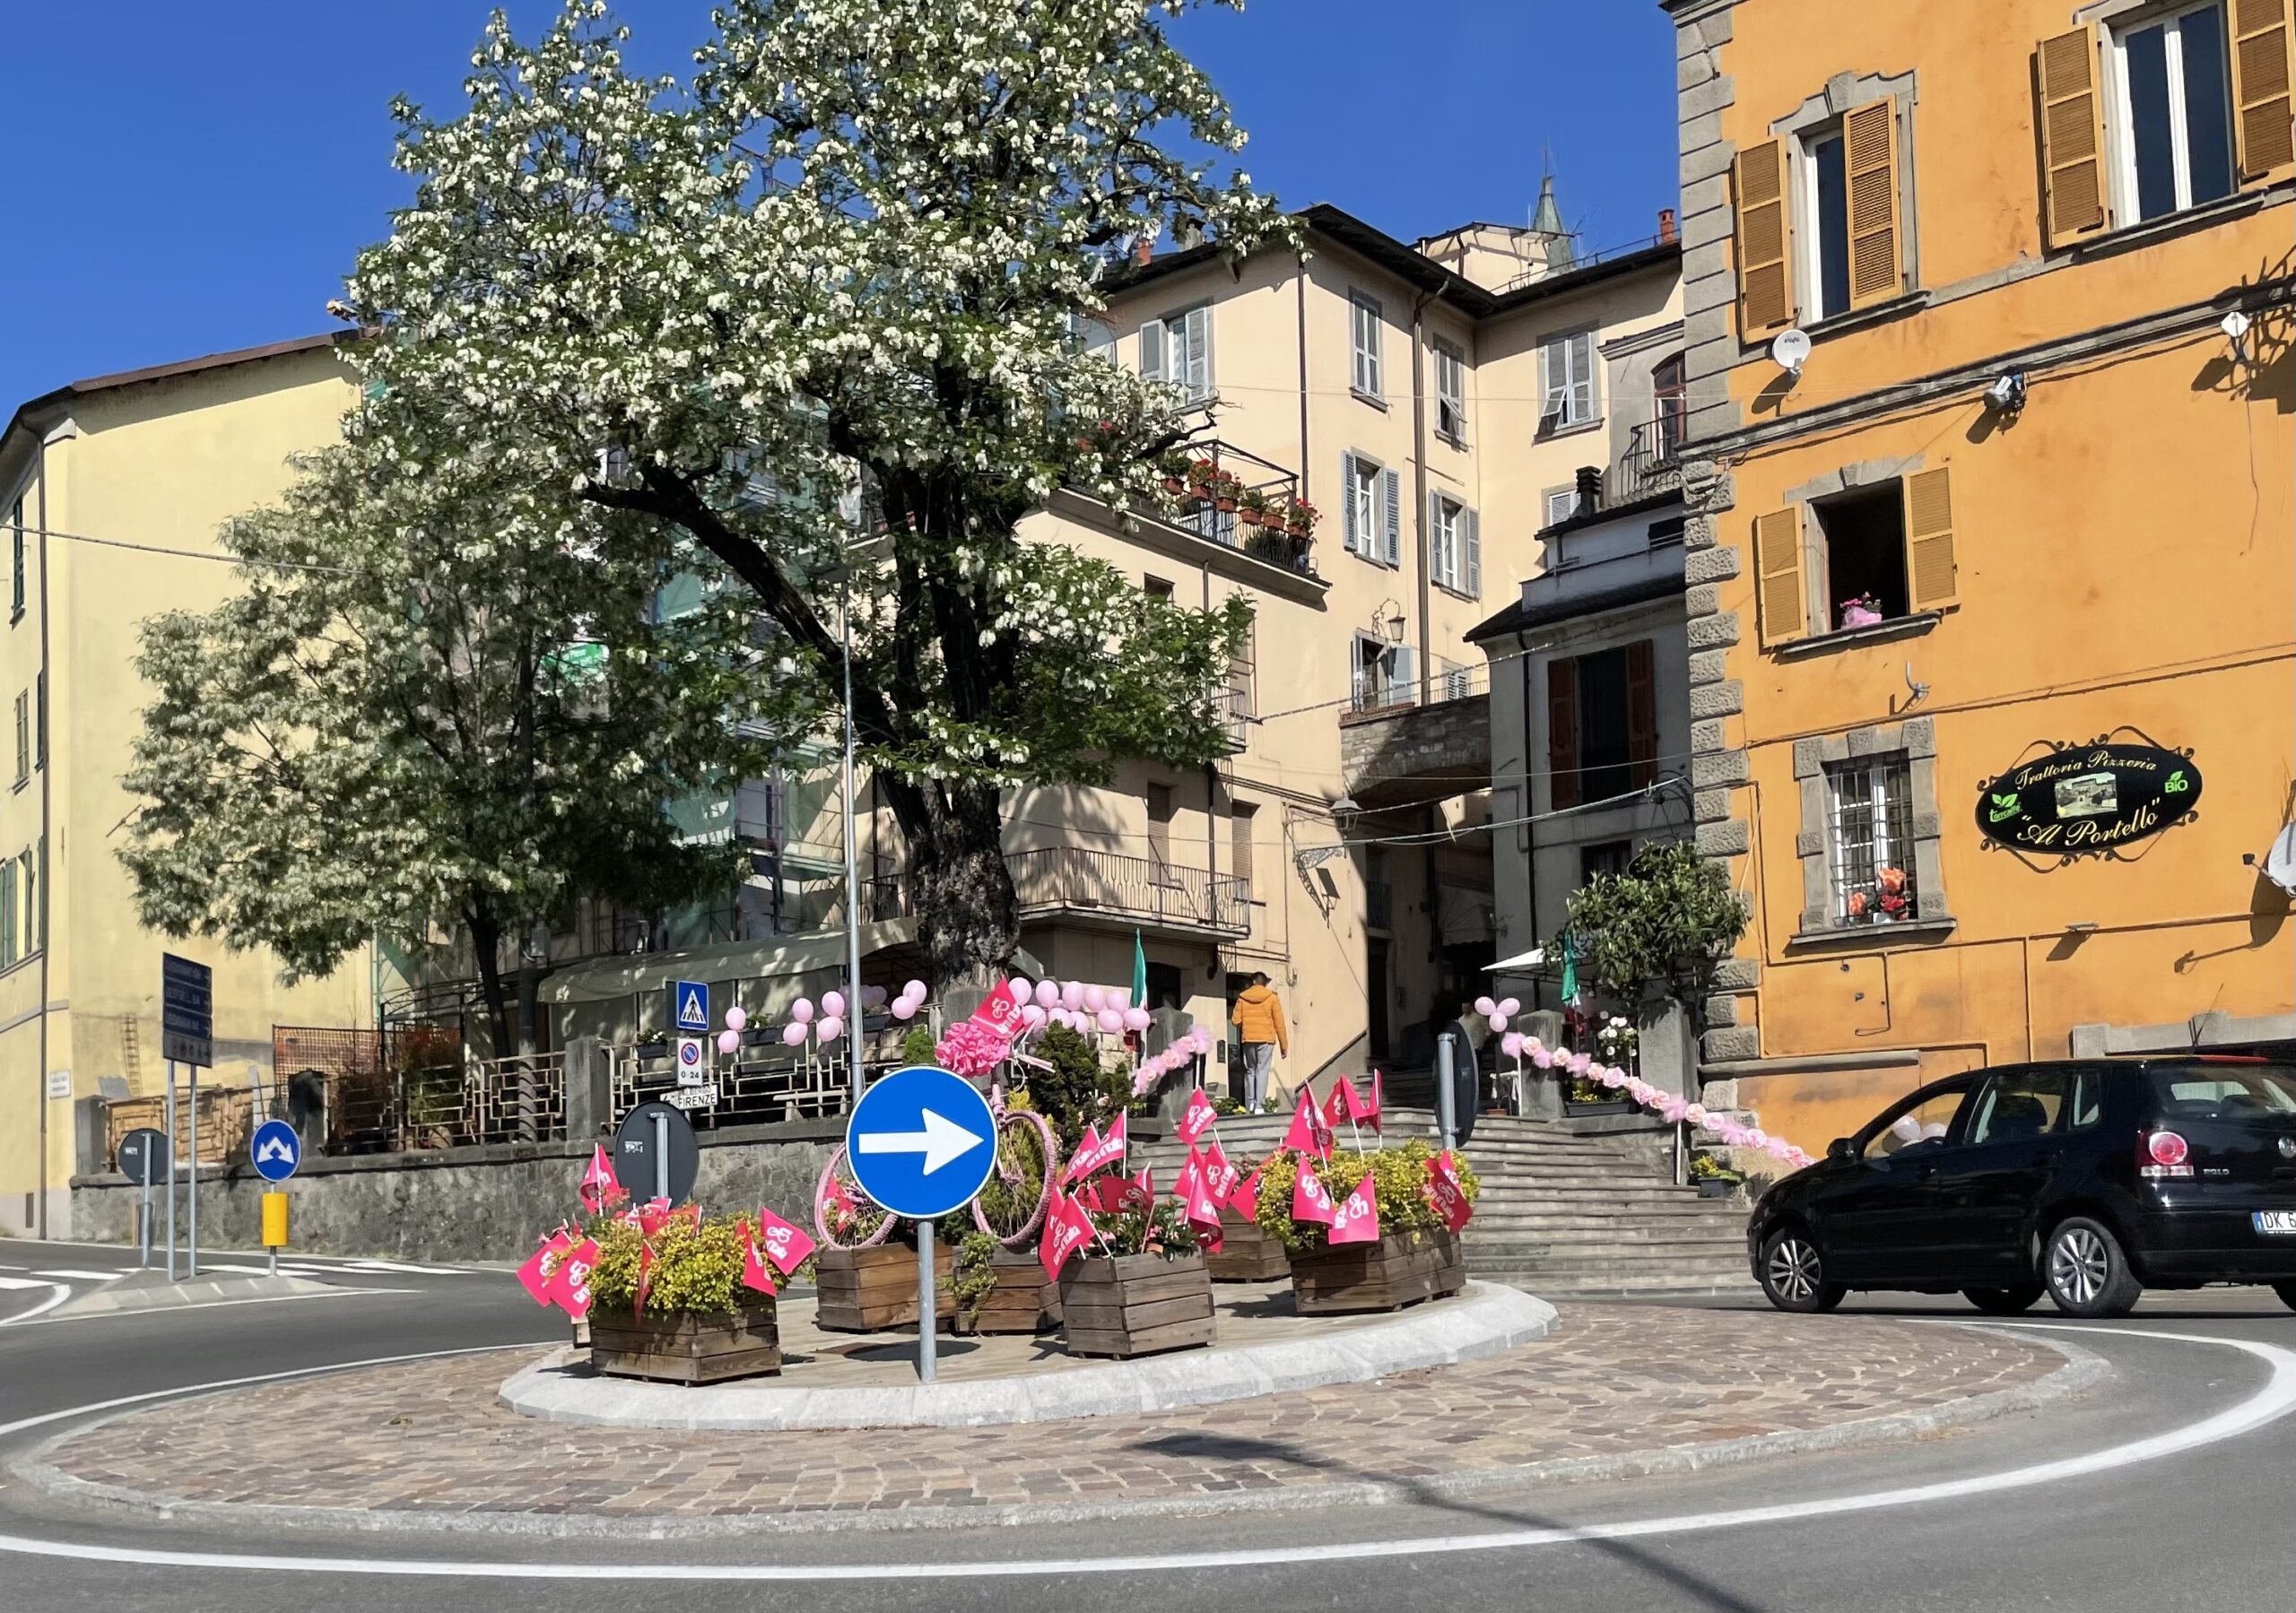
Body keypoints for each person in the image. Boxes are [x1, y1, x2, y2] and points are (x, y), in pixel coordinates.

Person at [1230, 972, 1289, 1112]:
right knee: (1262, 1070)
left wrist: (1246, 1025)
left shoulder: (1242, 997)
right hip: (1266, 1039)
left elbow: (1235, 1020)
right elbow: (1279, 1023)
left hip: (1249, 1039)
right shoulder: (1272, 997)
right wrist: (1283, 1045)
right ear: (1265, 983)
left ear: (1254, 982)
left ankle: (1251, 1102)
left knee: (1251, 1070)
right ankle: (1259, 1106)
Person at [1439, 1002, 1483, 1146]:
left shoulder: (1478, 1018)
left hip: (1476, 1047)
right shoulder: (1460, 1020)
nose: (1464, 1009)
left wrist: (1481, 1040)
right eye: (1462, 1007)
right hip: (1463, 1048)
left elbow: (1487, 1030)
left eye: (1466, 1006)